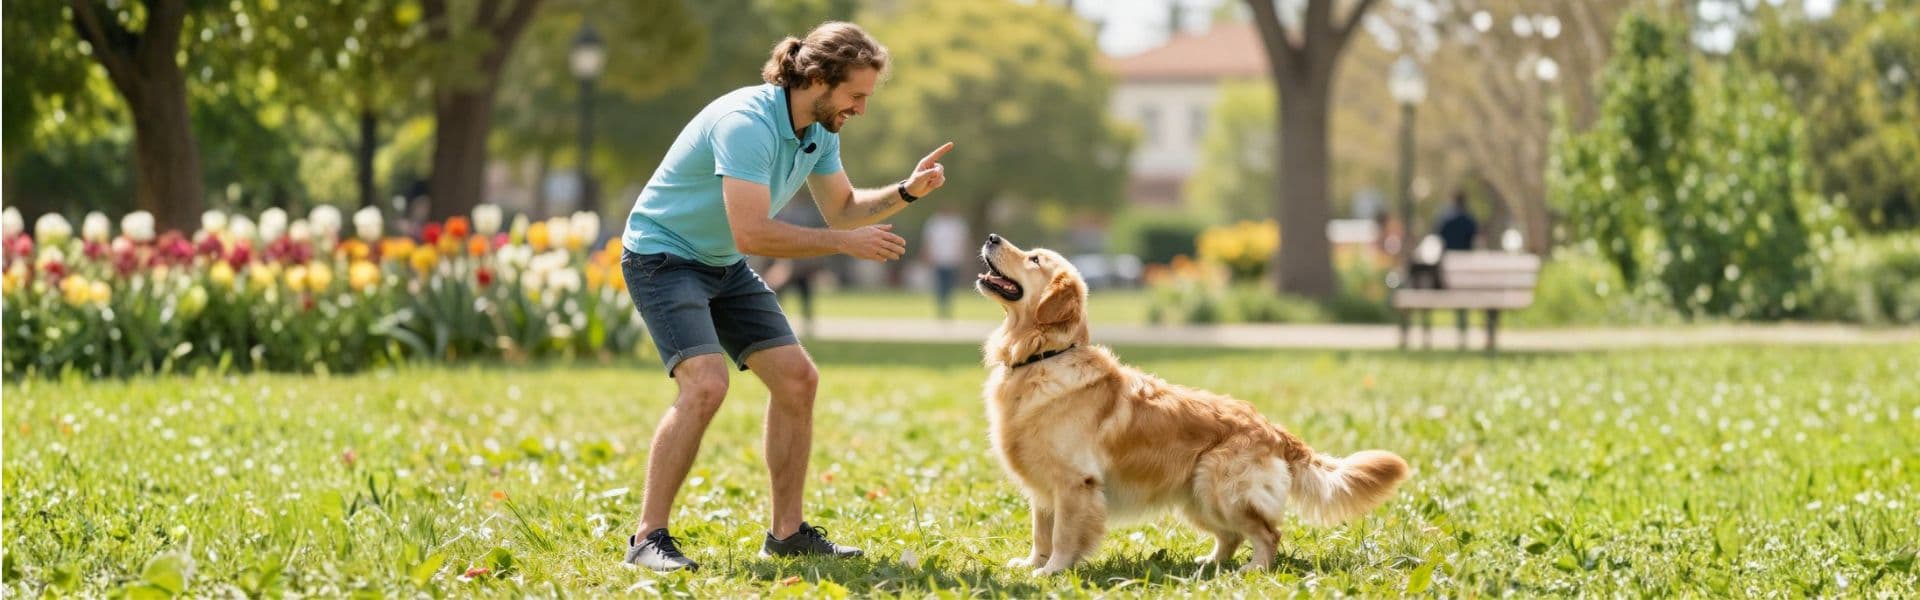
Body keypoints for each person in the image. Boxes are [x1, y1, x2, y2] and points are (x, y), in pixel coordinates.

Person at [617, 22, 953, 572]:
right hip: (663, 256)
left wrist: (907, 191)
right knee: (705, 384)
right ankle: (647, 538)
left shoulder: (819, 131)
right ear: (817, 79)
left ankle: (787, 534)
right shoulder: (746, 124)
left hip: (721, 262)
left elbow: (842, 208)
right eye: (856, 96)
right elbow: (753, 232)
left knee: (798, 379)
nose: (861, 109)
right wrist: (844, 246)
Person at [920, 207, 968, 319]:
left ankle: (947, 306)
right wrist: (928, 255)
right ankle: (941, 307)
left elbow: (962, 241)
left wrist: (962, 255)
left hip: (953, 259)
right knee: (940, 285)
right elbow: (928, 240)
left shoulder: (957, 223)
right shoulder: (934, 223)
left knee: (950, 285)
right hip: (938, 259)